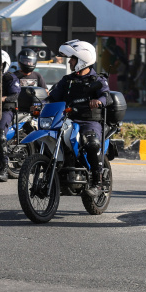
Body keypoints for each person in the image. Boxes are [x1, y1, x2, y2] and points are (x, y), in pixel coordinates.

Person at [47, 39, 110, 190]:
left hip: (89, 121)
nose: (70, 63)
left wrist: (98, 101)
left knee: (91, 144)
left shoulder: (97, 79)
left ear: (83, 59)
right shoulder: (67, 80)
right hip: (68, 119)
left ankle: (97, 181)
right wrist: (39, 103)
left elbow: (106, 96)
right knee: (52, 139)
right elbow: (53, 97)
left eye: (72, 59)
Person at [0, 49, 21, 182]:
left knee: (0, 134)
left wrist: (0, 99)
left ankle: (4, 169)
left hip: (5, 110)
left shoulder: (10, 78)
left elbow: (15, 95)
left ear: (5, 64)